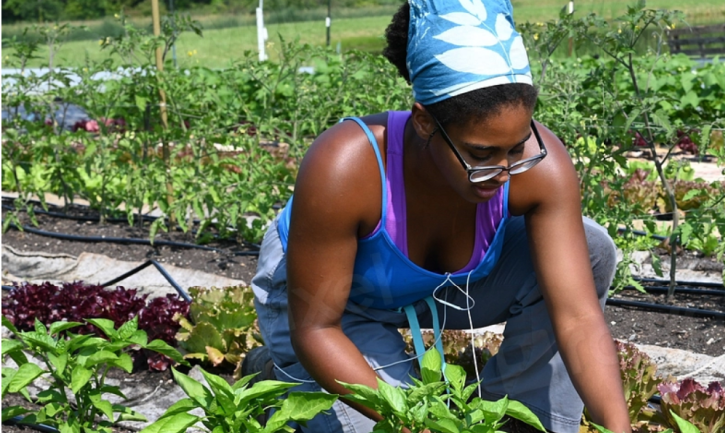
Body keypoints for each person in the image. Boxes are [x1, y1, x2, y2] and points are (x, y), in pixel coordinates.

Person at [248, 1, 631, 431]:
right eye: (481, 153)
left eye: (518, 147)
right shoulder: (347, 165)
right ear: (425, 122)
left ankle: (520, 419)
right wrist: (418, 424)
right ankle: (272, 376)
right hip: (329, 307)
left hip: (439, 288)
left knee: (591, 248)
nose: (504, 173)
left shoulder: (538, 167)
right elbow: (317, 329)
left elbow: (577, 318)